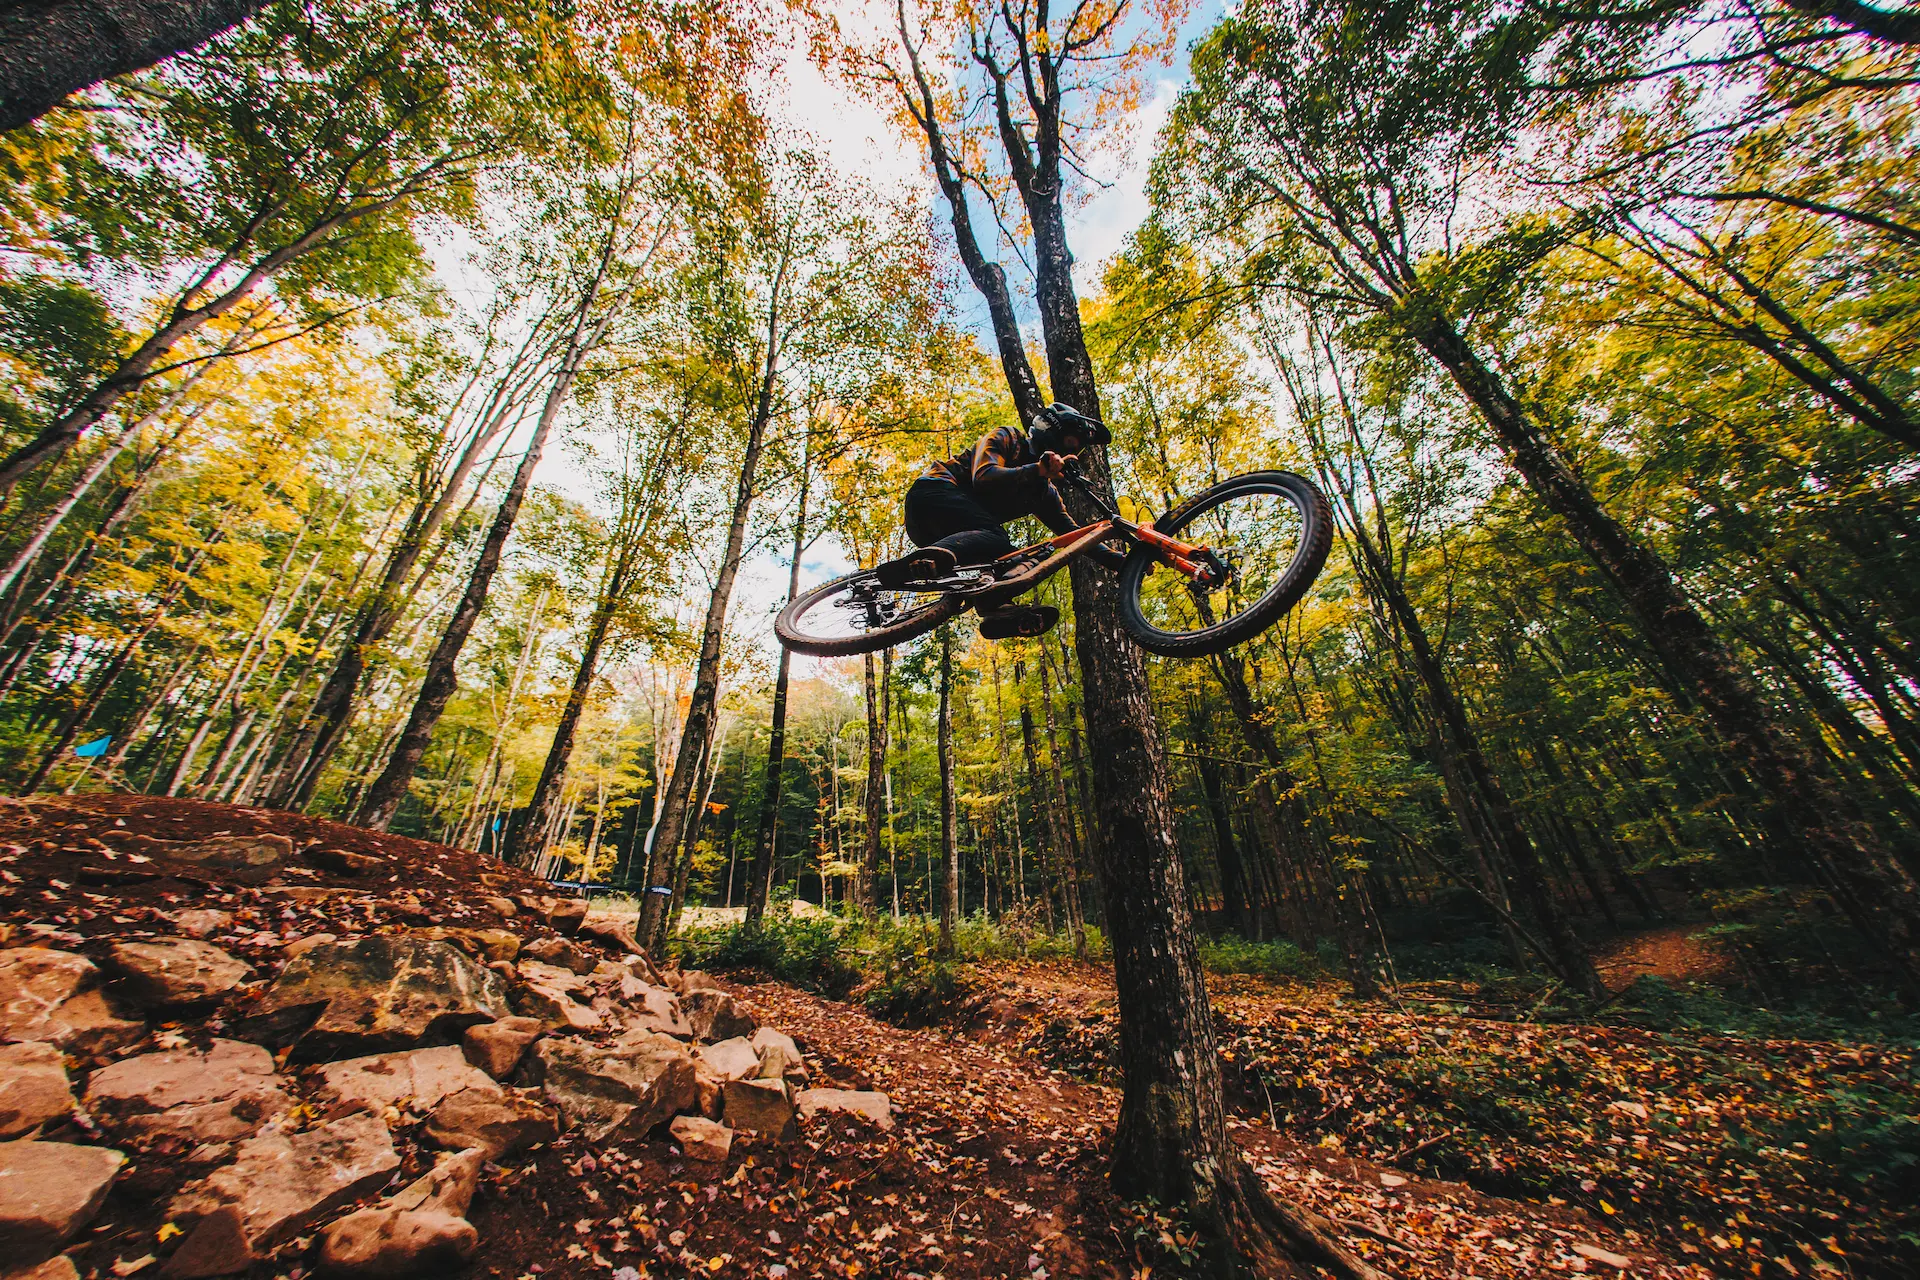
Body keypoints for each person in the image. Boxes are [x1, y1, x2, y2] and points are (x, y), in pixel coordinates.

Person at [876, 402, 1125, 639]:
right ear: (1050, 432)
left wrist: (1122, 563)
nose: (1070, 454)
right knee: (996, 536)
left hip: (954, 535)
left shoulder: (1044, 493)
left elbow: (1074, 535)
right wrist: (1037, 470)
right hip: (932, 494)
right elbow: (984, 476)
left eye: (1076, 450)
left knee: (1020, 560)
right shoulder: (1009, 439)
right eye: (1070, 444)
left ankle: (995, 607)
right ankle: (934, 558)